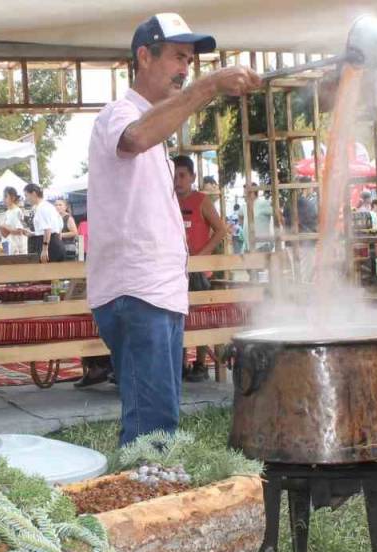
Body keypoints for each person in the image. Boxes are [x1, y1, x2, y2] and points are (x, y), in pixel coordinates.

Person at [86, 12, 260, 445]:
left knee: (158, 417)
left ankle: (151, 492)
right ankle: (146, 499)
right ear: (144, 56)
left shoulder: (157, 126)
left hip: (155, 291)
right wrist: (209, 86)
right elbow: (135, 138)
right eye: (179, 57)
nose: (186, 69)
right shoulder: (119, 114)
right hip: (137, 291)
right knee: (153, 427)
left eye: (191, 61)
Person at [173, 154, 227, 382]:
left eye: (183, 175)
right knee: (177, 315)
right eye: (174, 176)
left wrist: (202, 256)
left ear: (193, 177)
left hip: (199, 270)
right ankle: (181, 363)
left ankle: (201, 364)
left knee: (200, 316)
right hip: (175, 269)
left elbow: (221, 231)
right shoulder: (167, 200)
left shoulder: (202, 201)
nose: (178, 180)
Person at [24, 183, 66, 263]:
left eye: (26, 195)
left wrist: (45, 249)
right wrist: (33, 233)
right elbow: (59, 226)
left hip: (50, 246)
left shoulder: (42, 208)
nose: (26, 199)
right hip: (55, 243)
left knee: (49, 274)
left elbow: (47, 229)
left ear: (34, 194)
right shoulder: (49, 206)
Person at [0, 187, 29, 255]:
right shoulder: (7, 212)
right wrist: (1, 228)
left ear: (13, 198)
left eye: (6, 196)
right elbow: (6, 234)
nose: (4, 199)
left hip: (20, 249)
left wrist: (5, 226)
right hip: (11, 247)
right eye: (3, 197)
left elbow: (20, 231)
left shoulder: (17, 211)